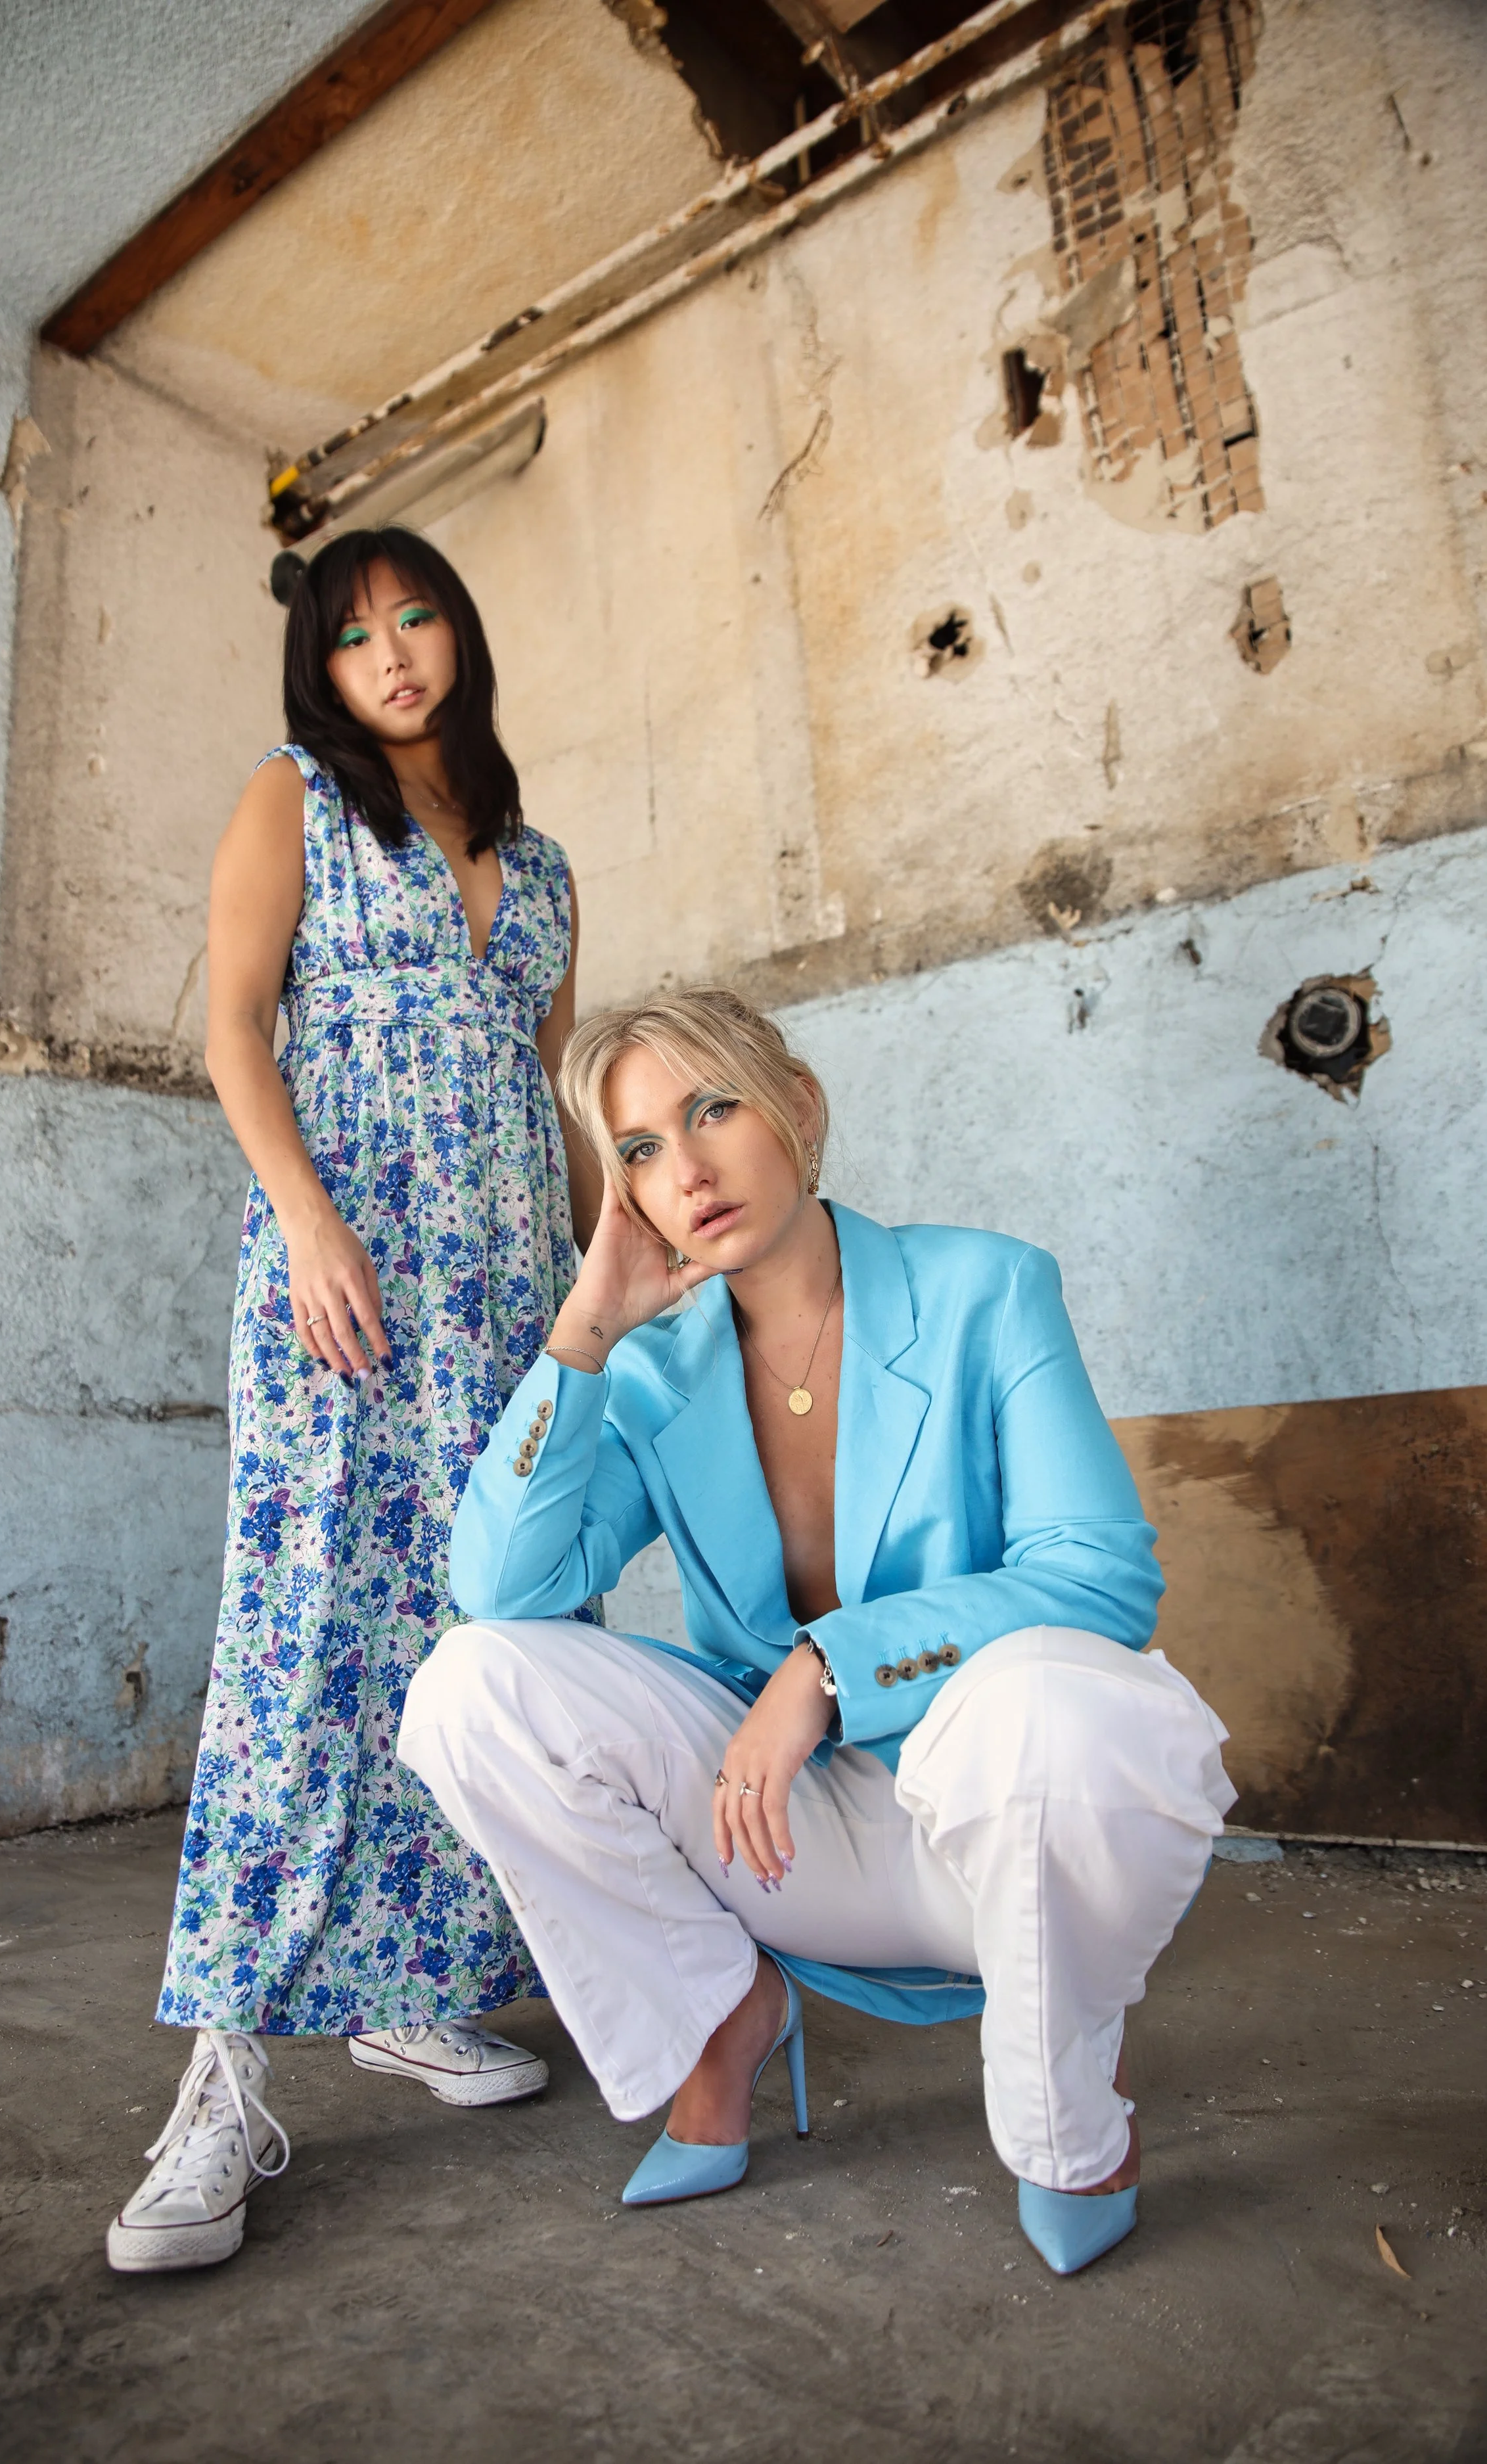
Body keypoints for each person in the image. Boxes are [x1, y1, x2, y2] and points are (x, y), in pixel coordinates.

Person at [398, 987, 1235, 2276]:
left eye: (712, 1109)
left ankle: (1067, 2119)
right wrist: (584, 1330)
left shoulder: (983, 1290)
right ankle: (721, 2018)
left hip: (1007, 1824)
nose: (684, 1170)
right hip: (784, 1836)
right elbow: (505, 1587)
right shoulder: (650, 1372)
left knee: (1050, 1702)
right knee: (471, 1686)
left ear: (797, 1106)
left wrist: (826, 1669)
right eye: (637, 1150)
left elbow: (1100, 1580)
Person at [108, 528, 599, 2274]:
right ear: (317, 668)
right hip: (343, 1293)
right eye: (355, 635)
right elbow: (237, 1030)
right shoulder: (289, 802)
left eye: (418, 617)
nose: (391, 653)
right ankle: (225, 2077)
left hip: (511, 1306)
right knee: (308, 1636)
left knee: (490, 1634)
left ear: (458, 632)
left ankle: (417, 1992)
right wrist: (309, 1223)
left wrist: (598, 1302)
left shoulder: (536, 868)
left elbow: (552, 1105)